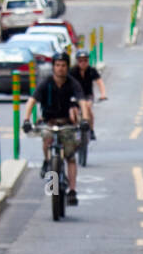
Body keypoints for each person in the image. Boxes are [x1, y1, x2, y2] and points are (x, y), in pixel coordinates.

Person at [21, 53, 86, 205]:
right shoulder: (46, 83)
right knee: (46, 139)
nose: (60, 68)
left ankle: (72, 190)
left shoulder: (73, 83)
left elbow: (82, 101)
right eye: (57, 65)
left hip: (67, 124)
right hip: (49, 122)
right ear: (53, 67)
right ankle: (47, 162)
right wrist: (26, 120)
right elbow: (32, 101)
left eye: (63, 65)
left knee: (70, 157)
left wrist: (85, 120)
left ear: (67, 67)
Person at [71, 49, 106, 139]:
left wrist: (103, 94)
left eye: (85, 60)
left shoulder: (91, 71)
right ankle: (74, 129)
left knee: (87, 108)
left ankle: (91, 130)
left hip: (87, 95)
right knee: (72, 111)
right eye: (80, 61)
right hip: (76, 95)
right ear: (77, 61)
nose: (83, 63)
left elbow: (100, 82)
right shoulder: (72, 72)